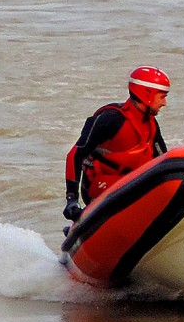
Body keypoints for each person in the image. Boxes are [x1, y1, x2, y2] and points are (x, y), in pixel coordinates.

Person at [63, 66, 170, 222]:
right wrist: (72, 199)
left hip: (133, 185)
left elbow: (163, 162)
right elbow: (75, 155)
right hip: (102, 188)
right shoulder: (110, 119)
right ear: (147, 94)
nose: (164, 103)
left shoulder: (151, 125)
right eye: (162, 96)